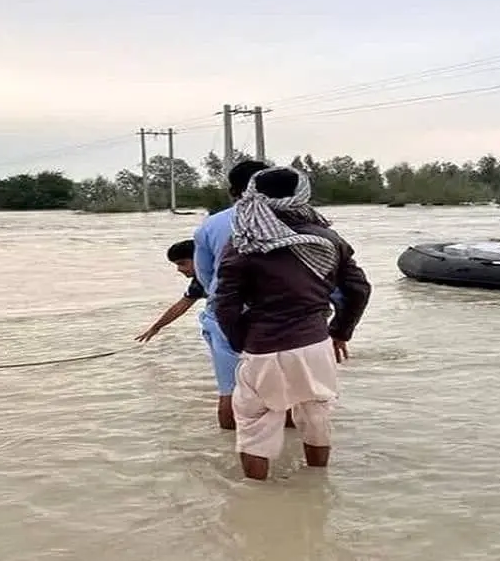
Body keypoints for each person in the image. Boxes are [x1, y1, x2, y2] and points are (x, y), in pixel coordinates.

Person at [213, 166, 371, 481]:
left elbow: (225, 302)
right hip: (315, 344)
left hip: (263, 347)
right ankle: (317, 484)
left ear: (252, 193)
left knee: (256, 425)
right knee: (316, 415)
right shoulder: (329, 238)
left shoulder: (245, 241)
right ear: (302, 193)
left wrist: (240, 340)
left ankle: (256, 502)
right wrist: (340, 332)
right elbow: (359, 289)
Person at [193, 160, 271, 430]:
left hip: (226, 315)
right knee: (288, 395)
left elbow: (204, 276)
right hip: (282, 317)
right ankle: (293, 462)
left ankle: (230, 457)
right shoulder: (295, 220)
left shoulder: (211, 225)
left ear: (231, 191)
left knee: (230, 391)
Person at [135, 239, 207, 342]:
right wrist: (156, 327)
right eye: (177, 265)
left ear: (199, 258)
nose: (179, 269)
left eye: (182, 263)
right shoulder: (200, 282)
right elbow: (181, 306)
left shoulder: (224, 274)